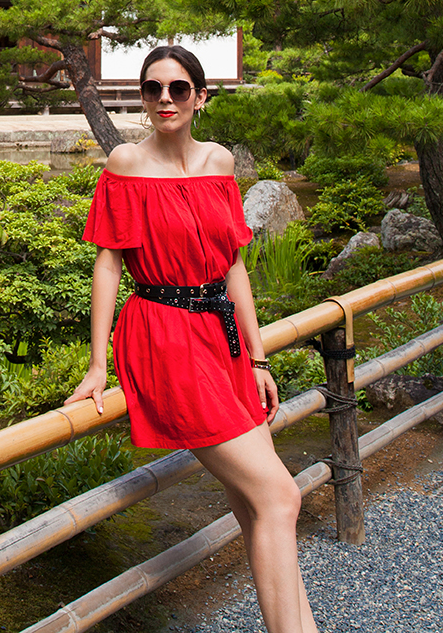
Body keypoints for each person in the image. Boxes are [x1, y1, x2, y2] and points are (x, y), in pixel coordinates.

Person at [65, 45, 318, 633]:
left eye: (178, 89)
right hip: (163, 334)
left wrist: (258, 358)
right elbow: (108, 264)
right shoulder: (126, 163)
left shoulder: (220, 163)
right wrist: (97, 361)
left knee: (257, 503)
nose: (164, 100)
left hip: (221, 337)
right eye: (152, 90)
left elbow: (233, 267)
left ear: (200, 97)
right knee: (281, 496)